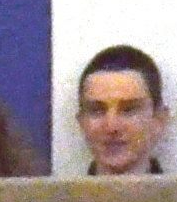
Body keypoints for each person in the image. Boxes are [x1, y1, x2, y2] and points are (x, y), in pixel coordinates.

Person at [72, 43, 170, 176]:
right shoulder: (51, 198)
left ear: (159, 120)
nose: (112, 127)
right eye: (97, 111)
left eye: (128, 110)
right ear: (81, 122)